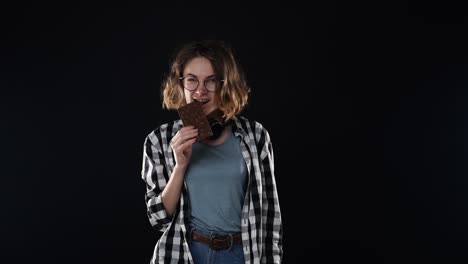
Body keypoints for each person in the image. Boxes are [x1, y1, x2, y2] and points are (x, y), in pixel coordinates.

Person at [140, 39, 282, 264]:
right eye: (192, 81)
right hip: (185, 254)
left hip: (241, 254)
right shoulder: (159, 140)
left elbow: (270, 214)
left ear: (225, 84)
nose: (200, 91)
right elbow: (158, 219)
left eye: (211, 81)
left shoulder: (255, 136)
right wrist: (180, 166)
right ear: (180, 84)